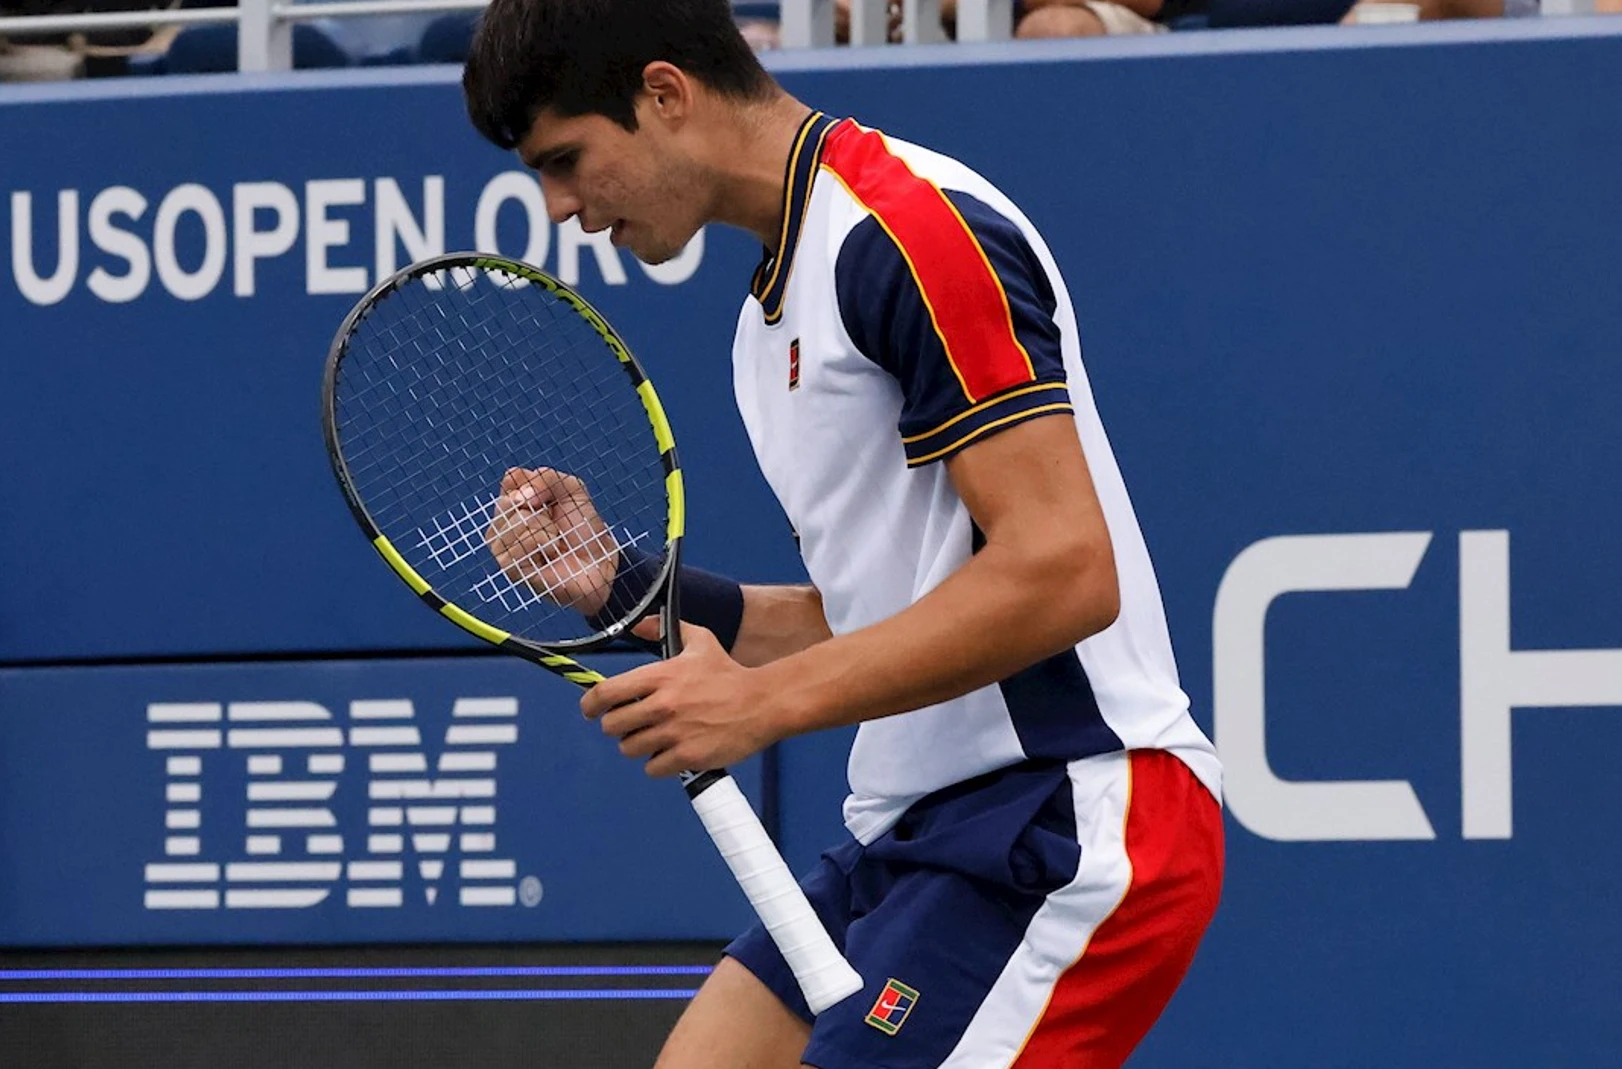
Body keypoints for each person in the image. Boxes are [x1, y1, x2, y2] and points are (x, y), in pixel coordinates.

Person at [463, 2, 1224, 1065]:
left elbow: (1063, 571)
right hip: (911, 831)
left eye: (564, 159)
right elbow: (888, 617)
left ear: (664, 95)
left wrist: (759, 706)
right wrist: (623, 588)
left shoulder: (910, 234)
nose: (556, 206)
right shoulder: (763, 325)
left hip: (1065, 812)